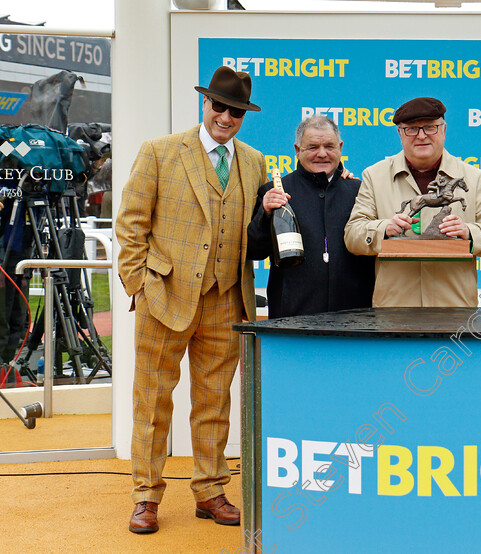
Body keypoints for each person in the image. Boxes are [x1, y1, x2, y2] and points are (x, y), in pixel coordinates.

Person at [116, 66, 266, 534]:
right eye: (220, 106)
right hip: (164, 296)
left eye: (236, 111)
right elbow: (131, 224)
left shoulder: (256, 161)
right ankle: (145, 494)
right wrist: (138, 283)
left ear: (243, 115)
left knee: (214, 402)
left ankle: (210, 490)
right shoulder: (160, 152)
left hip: (226, 299)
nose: (226, 116)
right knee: (153, 400)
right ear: (205, 103)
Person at [344, 97, 481, 307]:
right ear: (400, 133)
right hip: (394, 314)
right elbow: (352, 236)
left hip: (454, 312)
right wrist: (385, 228)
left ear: (444, 129)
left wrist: (469, 232)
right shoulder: (374, 176)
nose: (421, 136)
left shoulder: (474, 177)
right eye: (412, 129)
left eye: (430, 127)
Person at [247, 116, 374, 316]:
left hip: (354, 321)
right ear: (297, 151)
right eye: (313, 147)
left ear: (340, 147)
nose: (322, 154)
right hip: (292, 320)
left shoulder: (361, 192)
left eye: (329, 146)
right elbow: (254, 251)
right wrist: (265, 214)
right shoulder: (274, 192)